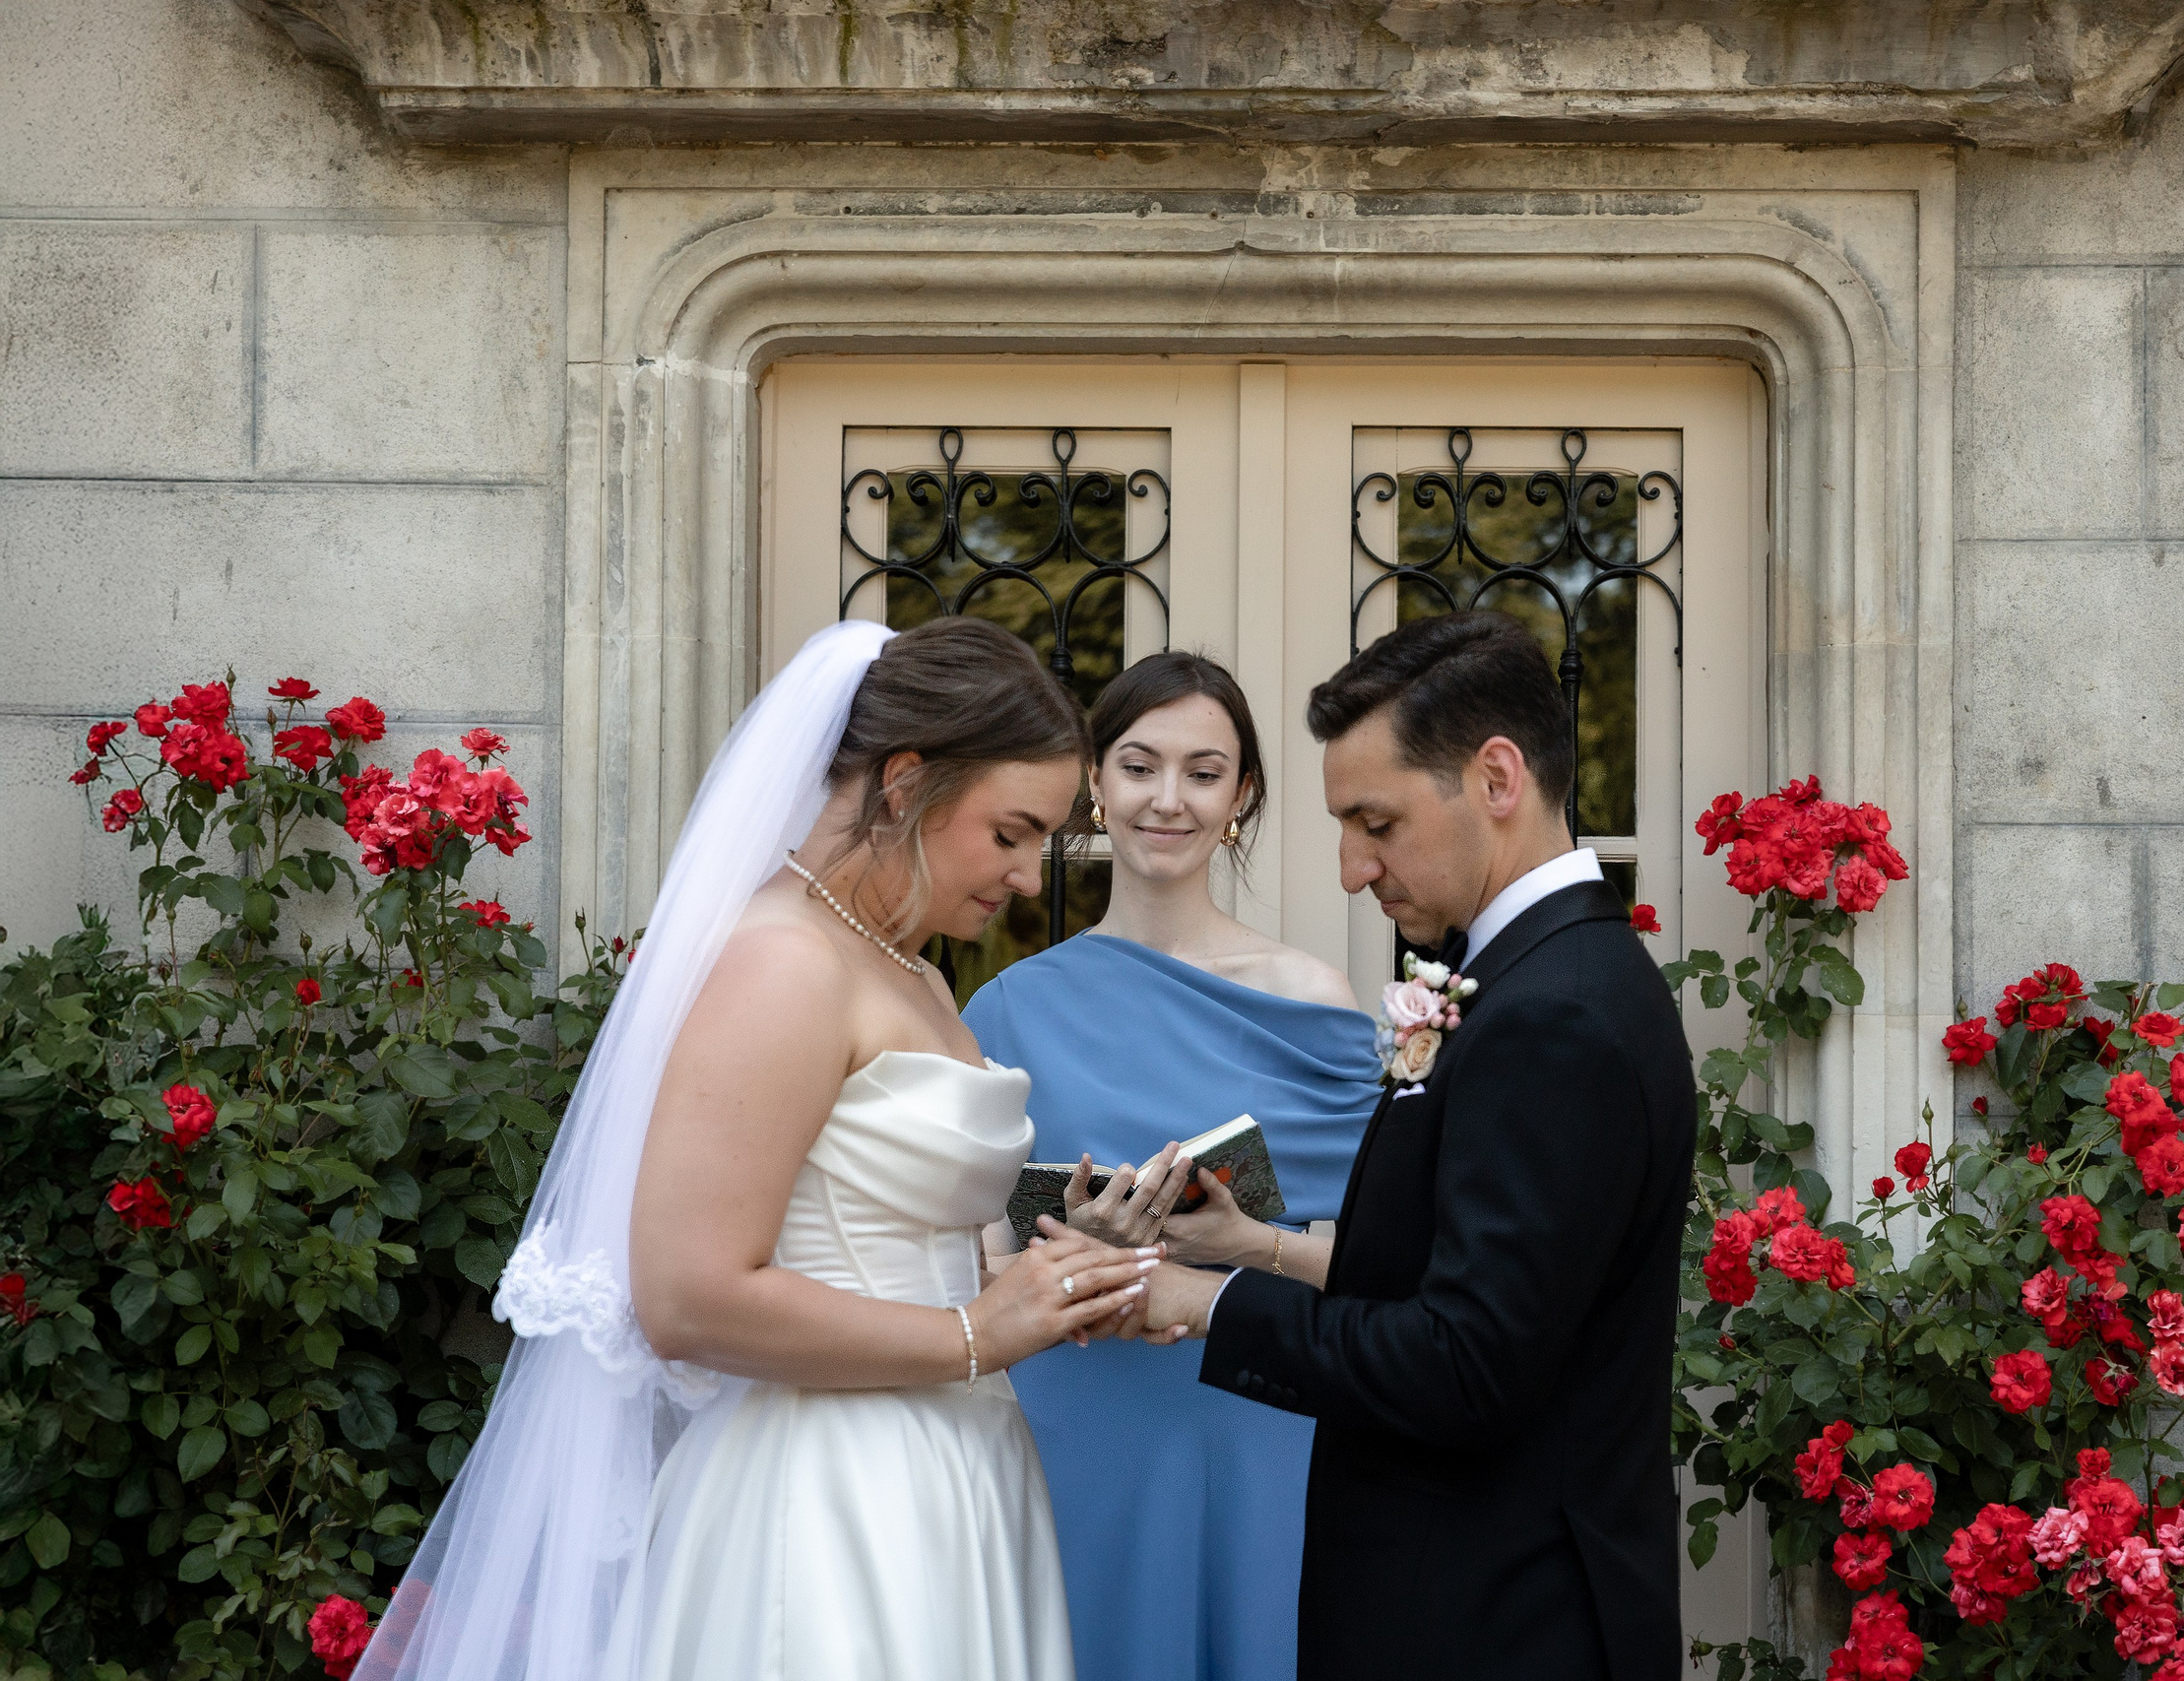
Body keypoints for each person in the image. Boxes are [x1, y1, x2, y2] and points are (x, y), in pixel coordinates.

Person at [359, 617, 1158, 1681]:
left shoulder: (907, 966)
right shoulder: (783, 962)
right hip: (823, 1502)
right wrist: (977, 1333)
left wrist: (1051, 1280)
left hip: (954, 1467)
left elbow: (900, 1238)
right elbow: (687, 1298)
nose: (1026, 877)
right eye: (1010, 832)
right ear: (905, 781)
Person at [1131, 612, 1700, 1681]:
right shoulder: (1530, 977)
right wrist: (1253, 1245)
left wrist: (1197, 1306)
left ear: (1496, 778)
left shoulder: (1556, 1015)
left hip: (1497, 1620)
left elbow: (1467, 1365)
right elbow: (1461, 1280)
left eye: (1375, 822)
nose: (1352, 867)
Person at [962, 651, 1381, 1681]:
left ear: (1241, 797)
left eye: (1204, 772)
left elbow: (1374, 1255)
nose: (1168, 799)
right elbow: (967, 1265)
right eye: (1140, 766)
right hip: (1080, 1410)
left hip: (1258, 1412)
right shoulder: (1005, 1010)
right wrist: (1071, 1243)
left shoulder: (1315, 1003)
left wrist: (1249, 1242)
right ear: (1094, 785)